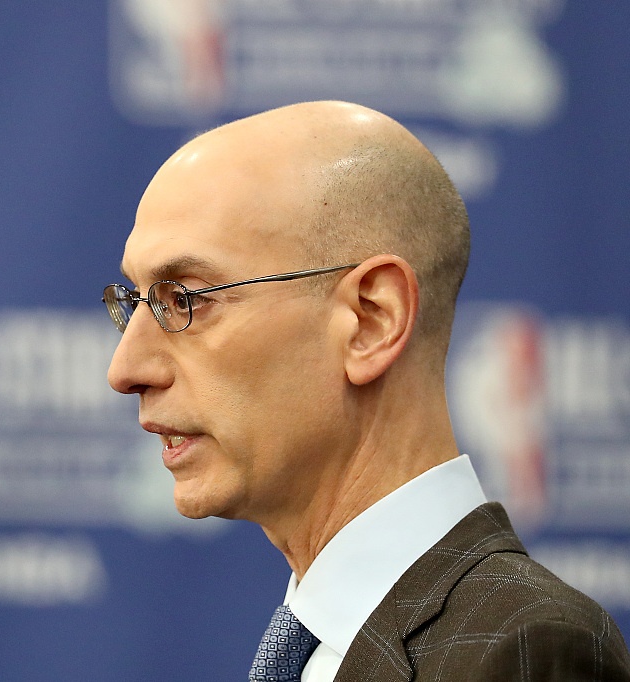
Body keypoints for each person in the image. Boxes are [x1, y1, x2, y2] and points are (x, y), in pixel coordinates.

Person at [102, 101, 630, 681]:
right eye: (133, 302)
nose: (125, 369)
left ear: (371, 320)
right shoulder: (316, 644)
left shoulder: (524, 649)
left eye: (184, 299)